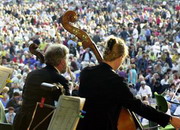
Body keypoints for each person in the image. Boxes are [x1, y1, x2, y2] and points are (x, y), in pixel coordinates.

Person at [77, 36, 180, 130]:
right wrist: (169, 119)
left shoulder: (86, 72)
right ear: (121, 57)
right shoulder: (115, 81)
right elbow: (138, 107)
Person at [13, 44, 70, 130]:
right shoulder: (59, 79)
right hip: (40, 124)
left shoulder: (32, 74)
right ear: (62, 61)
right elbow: (68, 104)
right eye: (66, 59)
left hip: (21, 122)